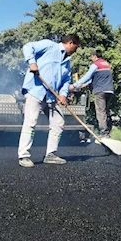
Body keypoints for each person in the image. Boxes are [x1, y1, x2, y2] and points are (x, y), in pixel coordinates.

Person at [18, 34, 80, 167]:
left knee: (58, 121)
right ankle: (24, 155)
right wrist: (32, 63)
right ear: (70, 43)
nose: (76, 50)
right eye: (76, 46)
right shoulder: (49, 46)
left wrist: (63, 94)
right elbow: (28, 46)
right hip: (36, 91)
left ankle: (50, 154)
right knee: (30, 122)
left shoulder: (67, 61)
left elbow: (66, 80)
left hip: (51, 96)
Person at [70, 49, 114, 138]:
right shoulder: (106, 64)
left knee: (100, 112)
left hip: (100, 91)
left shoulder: (95, 65)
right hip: (109, 91)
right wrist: (85, 84)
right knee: (105, 111)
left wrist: (75, 85)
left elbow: (87, 76)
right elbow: (97, 77)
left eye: (91, 57)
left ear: (94, 56)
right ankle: (108, 131)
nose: (91, 58)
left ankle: (104, 133)